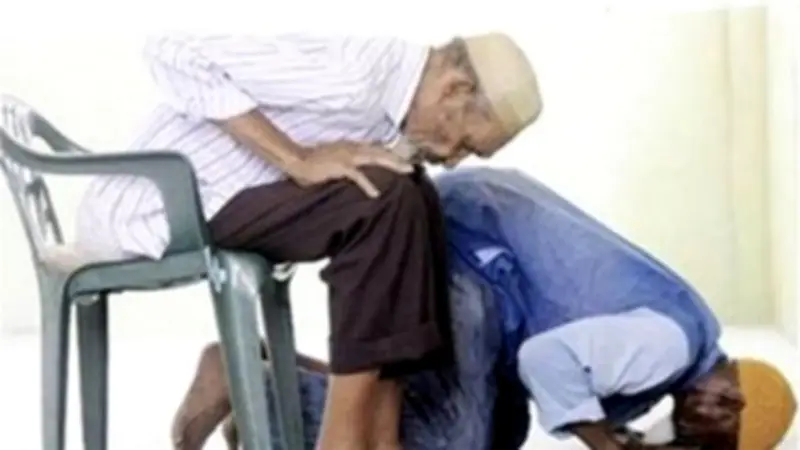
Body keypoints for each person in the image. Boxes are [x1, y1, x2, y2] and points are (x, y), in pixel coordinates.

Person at [74, 33, 542, 450]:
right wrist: (296, 159)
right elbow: (173, 51)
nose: (454, 160)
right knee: (385, 199)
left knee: (414, 193)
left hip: (233, 199)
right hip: (162, 205)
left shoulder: (393, 113)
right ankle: (341, 439)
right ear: (453, 89)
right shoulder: (354, 74)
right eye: (464, 143)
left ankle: (382, 437)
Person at [178, 167, 795, 450]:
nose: (689, 442)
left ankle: (272, 368)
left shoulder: (686, 337)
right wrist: (602, 445)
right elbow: (547, 358)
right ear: (726, 405)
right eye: (707, 446)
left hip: (480, 253)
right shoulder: (670, 349)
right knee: (455, 442)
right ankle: (254, 384)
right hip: (470, 256)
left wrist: (616, 433)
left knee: (499, 433)